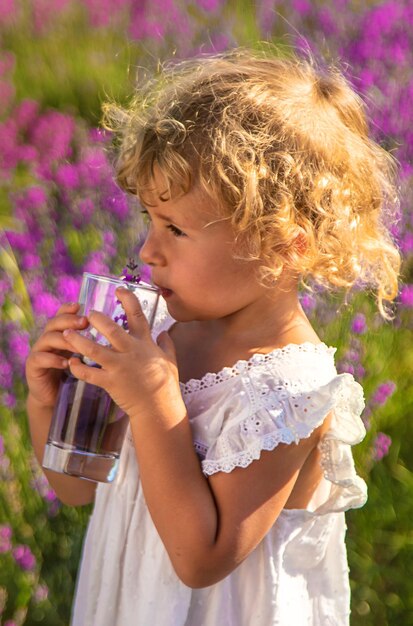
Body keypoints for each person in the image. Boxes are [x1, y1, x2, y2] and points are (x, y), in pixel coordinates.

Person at [25, 48, 400, 626]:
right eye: (151, 220)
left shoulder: (288, 393)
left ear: (282, 247)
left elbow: (201, 560)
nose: (149, 251)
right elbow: (80, 489)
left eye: (175, 228)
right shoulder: (166, 338)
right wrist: (50, 405)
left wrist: (154, 405)